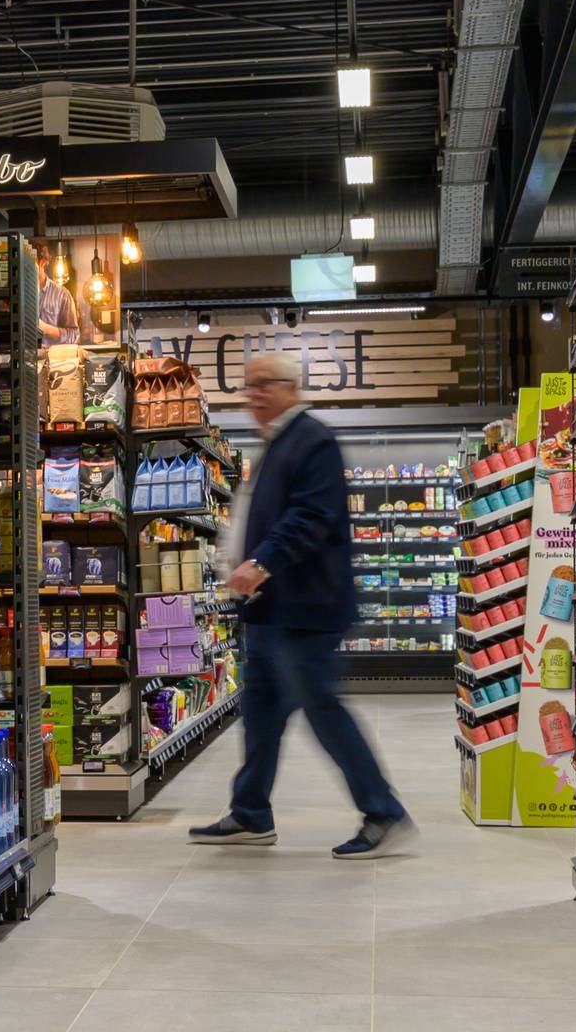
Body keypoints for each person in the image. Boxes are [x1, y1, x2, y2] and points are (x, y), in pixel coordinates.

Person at [190, 350, 414, 857]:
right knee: (261, 712)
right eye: (249, 386)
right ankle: (250, 813)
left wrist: (260, 563)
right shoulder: (275, 443)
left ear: (292, 388)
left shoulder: (312, 439)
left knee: (322, 709)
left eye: (264, 384)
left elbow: (311, 518)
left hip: (306, 609)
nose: (255, 395)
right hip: (273, 610)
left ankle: (383, 810)